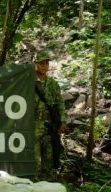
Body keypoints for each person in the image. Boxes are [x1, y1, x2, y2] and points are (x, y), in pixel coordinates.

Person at [33, 49, 67, 179]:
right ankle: (33, 184)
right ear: (35, 64)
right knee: (34, 160)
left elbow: (59, 102)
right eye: (41, 63)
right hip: (33, 125)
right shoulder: (29, 82)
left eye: (46, 63)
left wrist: (63, 120)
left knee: (49, 158)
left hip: (49, 126)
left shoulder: (52, 84)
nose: (44, 66)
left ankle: (47, 184)